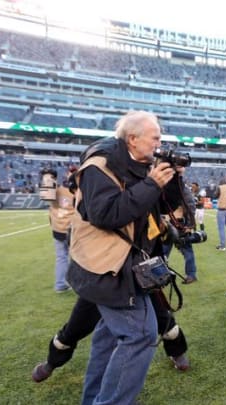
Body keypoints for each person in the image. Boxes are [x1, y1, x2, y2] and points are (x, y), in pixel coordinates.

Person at [65, 111, 187, 404]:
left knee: (108, 340)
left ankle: (93, 398)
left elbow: (169, 210)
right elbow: (106, 215)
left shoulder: (139, 165)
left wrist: (170, 180)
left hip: (123, 267)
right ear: (133, 139)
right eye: (155, 137)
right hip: (105, 267)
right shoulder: (100, 166)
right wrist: (152, 184)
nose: (160, 143)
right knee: (140, 335)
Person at [31, 292, 190, 383]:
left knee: (164, 320)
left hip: (139, 273)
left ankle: (177, 352)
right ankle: (52, 362)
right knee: (75, 327)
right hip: (102, 276)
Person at [47, 165, 77, 293]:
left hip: (59, 228)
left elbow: (47, 193)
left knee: (62, 257)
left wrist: (48, 178)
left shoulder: (58, 190)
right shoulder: (78, 191)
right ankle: (72, 283)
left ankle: (61, 284)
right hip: (71, 230)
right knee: (76, 258)